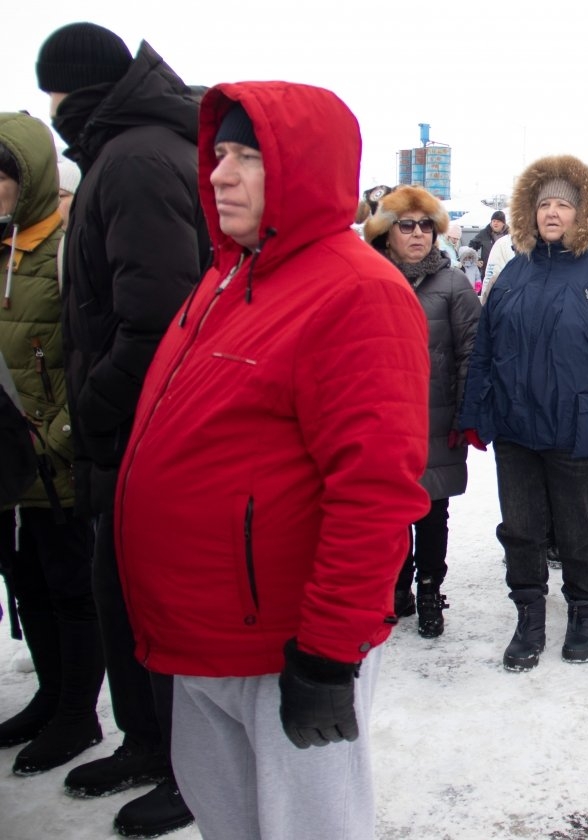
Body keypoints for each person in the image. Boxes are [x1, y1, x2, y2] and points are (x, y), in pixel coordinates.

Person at [115, 83, 431, 840]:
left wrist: (326, 656)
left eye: (248, 157)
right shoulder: (230, 275)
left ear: (304, 169)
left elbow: (374, 493)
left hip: (285, 643)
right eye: (219, 153)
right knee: (230, 822)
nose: (220, 174)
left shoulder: (357, 292)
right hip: (205, 630)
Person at [37, 21, 207, 836]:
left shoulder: (136, 158)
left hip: (147, 428)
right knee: (121, 595)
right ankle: (147, 741)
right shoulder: (122, 149)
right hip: (125, 431)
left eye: (53, 92)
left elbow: (157, 317)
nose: (51, 108)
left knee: (156, 600)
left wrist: (91, 410)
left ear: (77, 91)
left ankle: (185, 764)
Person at [459, 154, 588, 671]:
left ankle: (581, 613)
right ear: (530, 211)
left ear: (583, 212)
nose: (552, 213)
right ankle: (529, 616)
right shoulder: (515, 272)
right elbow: (486, 346)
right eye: (543, 203)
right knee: (520, 528)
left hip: (581, 428)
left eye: (563, 205)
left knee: (579, 530)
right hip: (518, 428)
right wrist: (476, 411)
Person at [0, 112, 105, 780]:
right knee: (27, 584)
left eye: (4, 174)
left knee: (71, 587)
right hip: (8, 464)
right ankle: (49, 694)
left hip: (56, 458)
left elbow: (91, 347)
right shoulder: (2, 246)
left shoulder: (65, 246)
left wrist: (64, 432)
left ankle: (78, 711)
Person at [363, 187, 480, 638]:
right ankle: (397, 587)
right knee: (389, 511)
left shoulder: (452, 284)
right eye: (406, 225)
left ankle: (431, 590)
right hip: (384, 422)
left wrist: (464, 414)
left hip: (435, 419)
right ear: (386, 232)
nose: (417, 234)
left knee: (432, 511)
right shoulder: (370, 277)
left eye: (426, 225)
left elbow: (472, 351)